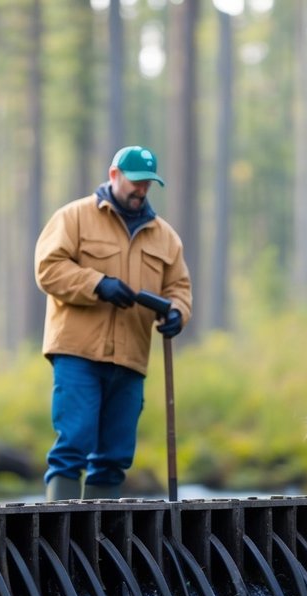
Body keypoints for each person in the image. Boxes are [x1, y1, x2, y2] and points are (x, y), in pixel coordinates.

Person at [34, 145, 192, 501]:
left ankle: (99, 540)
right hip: (78, 352)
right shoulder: (73, 217)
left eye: (148, 184)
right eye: (135, 182)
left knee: (116, 456)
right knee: (72, 444)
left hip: (131, 357)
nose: (141, 190)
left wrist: (177, 314)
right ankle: (59, 535)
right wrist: (97, 284)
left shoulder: (165, 236)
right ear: (114, 175)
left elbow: (179, 288)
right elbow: (48, 269)